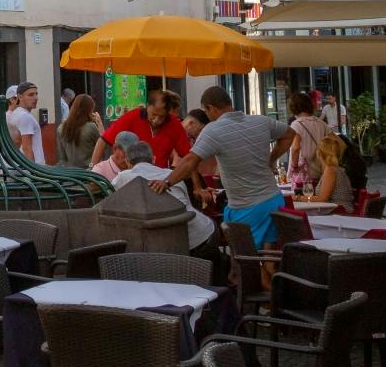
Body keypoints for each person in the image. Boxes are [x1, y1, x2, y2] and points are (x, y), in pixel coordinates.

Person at [159, 86, 291, 248]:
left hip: (248, 207)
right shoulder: (261, 121)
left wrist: (166, 183)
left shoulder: (214, 130)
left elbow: (190, 160)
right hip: (273, 200)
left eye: (206, 112)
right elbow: (289, 135)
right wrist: (272, 159)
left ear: (211, 108)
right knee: (268, 260)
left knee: (247, 263)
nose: (207, 116)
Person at [109, 133, 215, 250]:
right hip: (202, 233)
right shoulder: (171, 175)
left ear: (128, 162)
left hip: (170, 246)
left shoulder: (123, 177)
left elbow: (107, 195)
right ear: (153, 159)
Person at [94, 88, 193, 168]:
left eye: (162, 116)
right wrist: (92, 168)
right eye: (153, 114)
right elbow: (103, 140)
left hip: (159, 179)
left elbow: (188, 157)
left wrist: (197, 186)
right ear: (147, 106)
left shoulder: (174, 124)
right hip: (132, 176)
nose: (157, 120)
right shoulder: (132, 116)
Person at [285, 92, 332, 191]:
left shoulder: (296, 125)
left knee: (305, 200)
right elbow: (337, 143)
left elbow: (295, 148)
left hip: (304, 176)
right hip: (322, 173)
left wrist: (294, 166)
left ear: (294, 108)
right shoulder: (322, 123)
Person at [313, 133, 355, 210]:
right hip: (339, 210)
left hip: (339, 212)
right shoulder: (337, 168)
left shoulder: (330, 170)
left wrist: (298, 198)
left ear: (320, 154)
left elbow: (323, 199)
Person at [58, 93, 101, 169]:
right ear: (89, 110)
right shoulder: (91, 127)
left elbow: (62, 157)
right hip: (89, 172)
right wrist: (99, 123)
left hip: (71, 173)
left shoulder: (61, 128)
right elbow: (102, 148)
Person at [6, 82, 46, 161]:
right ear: (20, 97)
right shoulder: (25, 116)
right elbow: (26, 148)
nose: (35, 98)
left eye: (36, 94)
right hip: (33, 168)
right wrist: (32, 170)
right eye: (30, 95)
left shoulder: (17, 113)